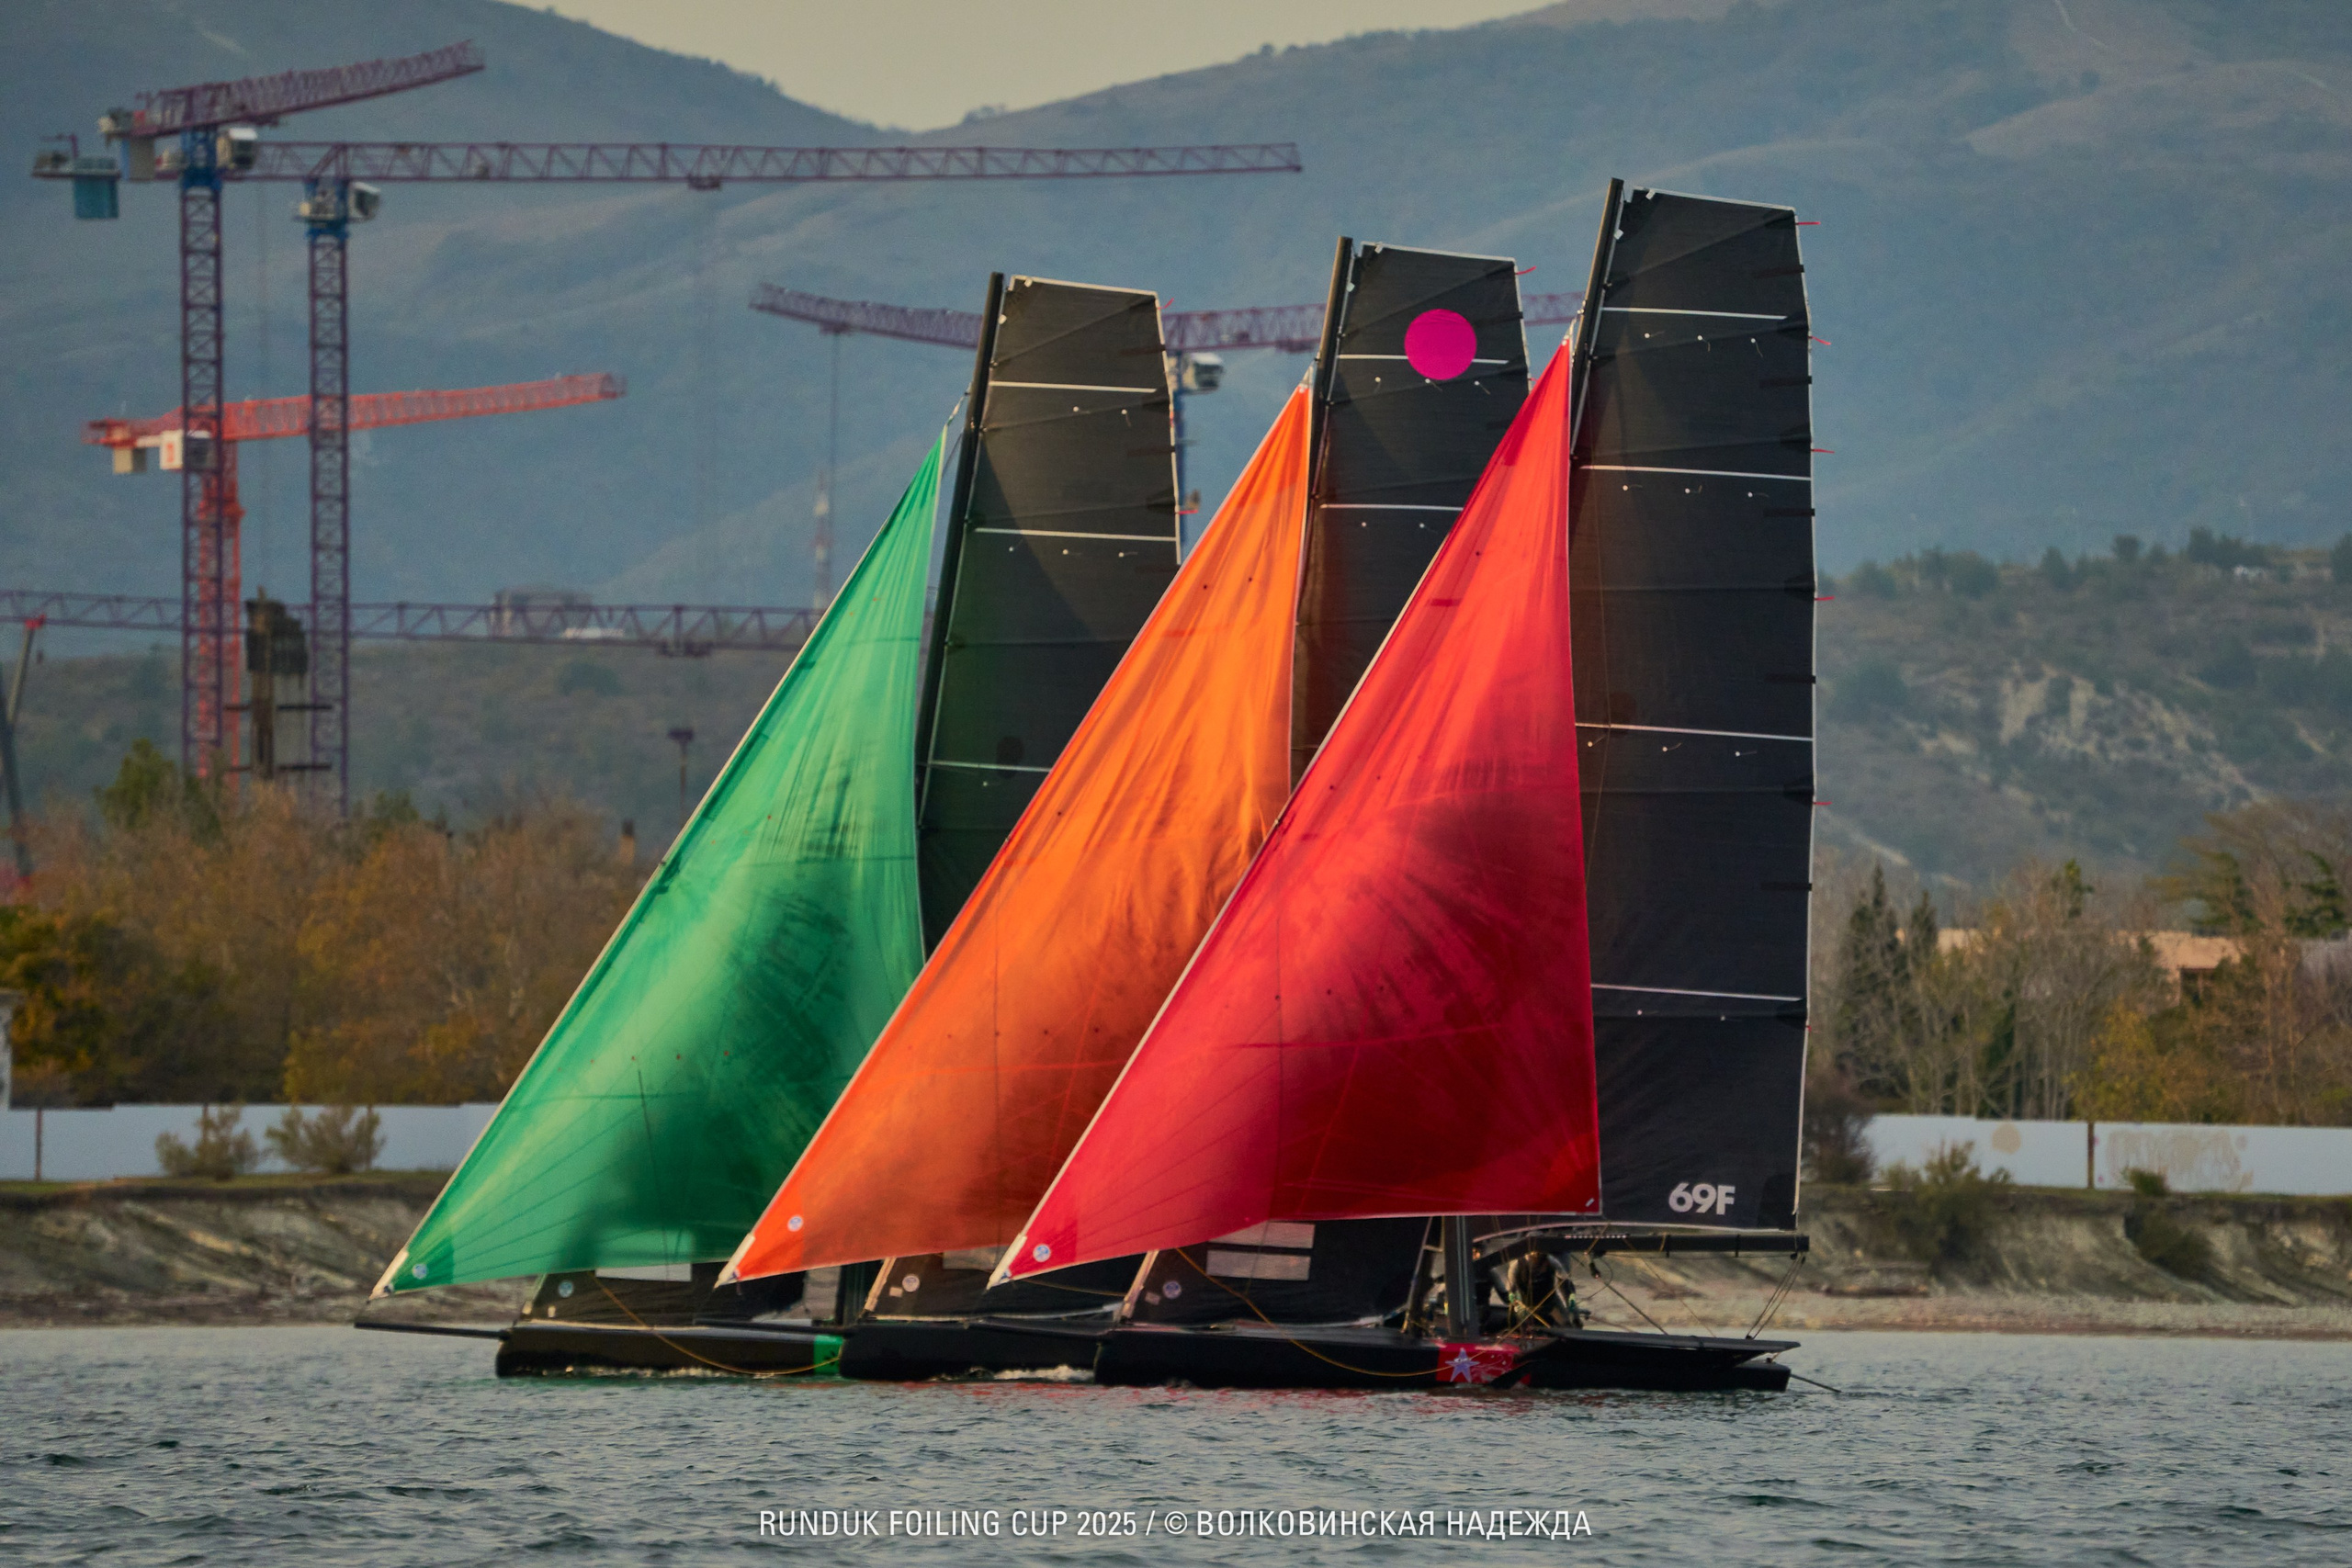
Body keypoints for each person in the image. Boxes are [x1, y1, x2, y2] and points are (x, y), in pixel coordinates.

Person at [1502, 1239, 1582, 1330]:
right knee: (1520, 1327)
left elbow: (1565, 1280)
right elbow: (1510, 1289)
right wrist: (1513, 1300)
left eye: (1539, 1249)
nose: (1537, 1253)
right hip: (1526, 1305)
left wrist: (1572, 1300)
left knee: (1567, 1325)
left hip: (1550, 1304)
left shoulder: (1550, 1260)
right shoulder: (1516, 1264)